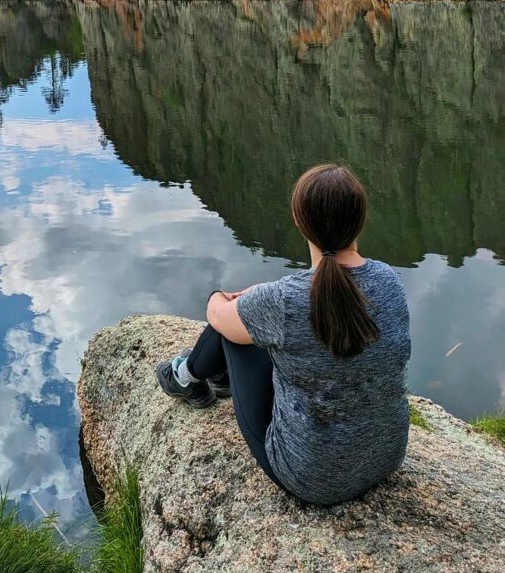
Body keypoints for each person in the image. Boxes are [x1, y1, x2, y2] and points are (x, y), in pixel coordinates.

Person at [156, 163, 411, 506]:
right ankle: (207, 376)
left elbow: (218, 316)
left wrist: (220, 297)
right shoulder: (388, 282)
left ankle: (185, 377)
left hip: (314, 480)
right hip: (386, 457)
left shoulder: (284, 301)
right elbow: (315, 297)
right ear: (360, 220)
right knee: (253, 322)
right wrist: (260, 297)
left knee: (231, 330)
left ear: (298, 220)